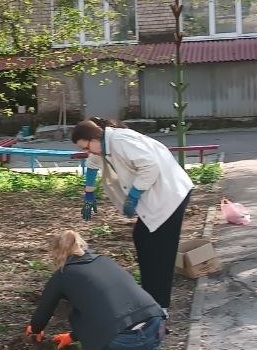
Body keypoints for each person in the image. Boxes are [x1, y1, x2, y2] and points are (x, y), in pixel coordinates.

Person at [72, 117, 193, 314]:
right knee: (143, 239)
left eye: (86, 147)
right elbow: (93, 163)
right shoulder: (102, 143)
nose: (87, 152)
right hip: (160, 197)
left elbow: (150, 166)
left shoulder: (120, 141)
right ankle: (149, 295)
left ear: (94, 138)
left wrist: (134, 195)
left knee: (161, 250)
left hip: (171, 196)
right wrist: (89, 192)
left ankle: (160, 306)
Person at [28, 229, 171, 350]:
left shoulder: (62, 275)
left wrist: (35, 330)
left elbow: (44, 312)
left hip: (119, 342)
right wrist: (72, 336)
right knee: (126, 320)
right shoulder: (105, 261)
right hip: (157, 327)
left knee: (78, 314)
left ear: (57, 254)